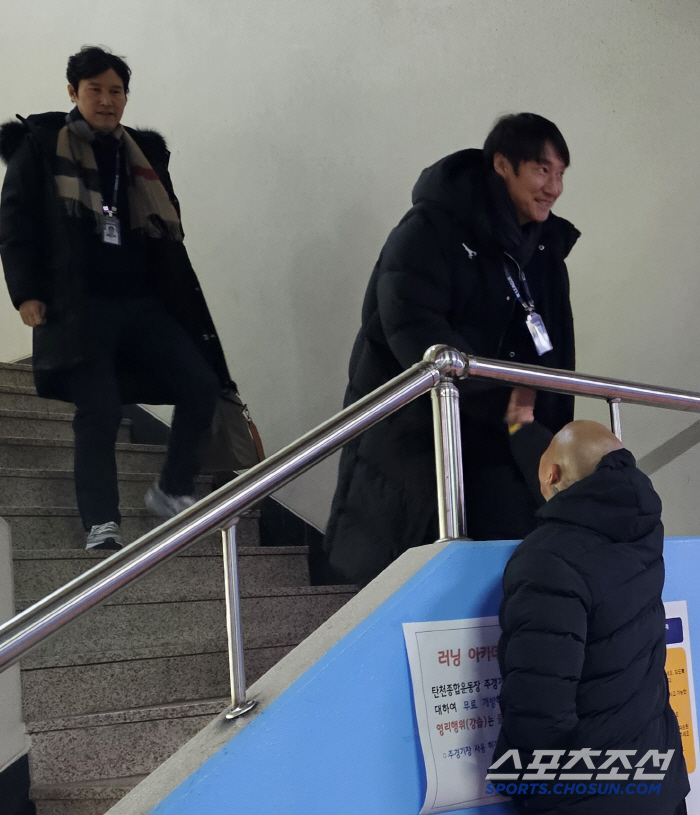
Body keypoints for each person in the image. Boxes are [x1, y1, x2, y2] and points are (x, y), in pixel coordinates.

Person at [317, 113, 579, 587]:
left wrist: (550, 434)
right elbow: (411, 325)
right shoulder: (432, 228)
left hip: (503, 429)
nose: (554, 187)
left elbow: (554, 355)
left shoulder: (545, 249)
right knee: (411, 567)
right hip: (419, 424)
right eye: (542, 171)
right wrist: (503, 393)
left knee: (516, 551)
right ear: (503, 164)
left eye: (561, 174)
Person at [0, 46, 231, 550]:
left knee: (200, 382)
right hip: (78, 306)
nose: (106, 101)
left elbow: (166, 230)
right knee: (100, 408)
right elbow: (15, 227)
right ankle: (101, 520)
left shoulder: (142, 154)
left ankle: (171, 489)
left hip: (144, 302)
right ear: (72, 92)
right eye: (95, 90)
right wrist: (26, 295)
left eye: (116, 91)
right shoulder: (40, 148)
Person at [494, 420, 689, 814]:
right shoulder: (643, 538)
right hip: (660, 782)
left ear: (552, 474)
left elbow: (539, 708)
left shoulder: (546, 559)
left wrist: (521, 782)